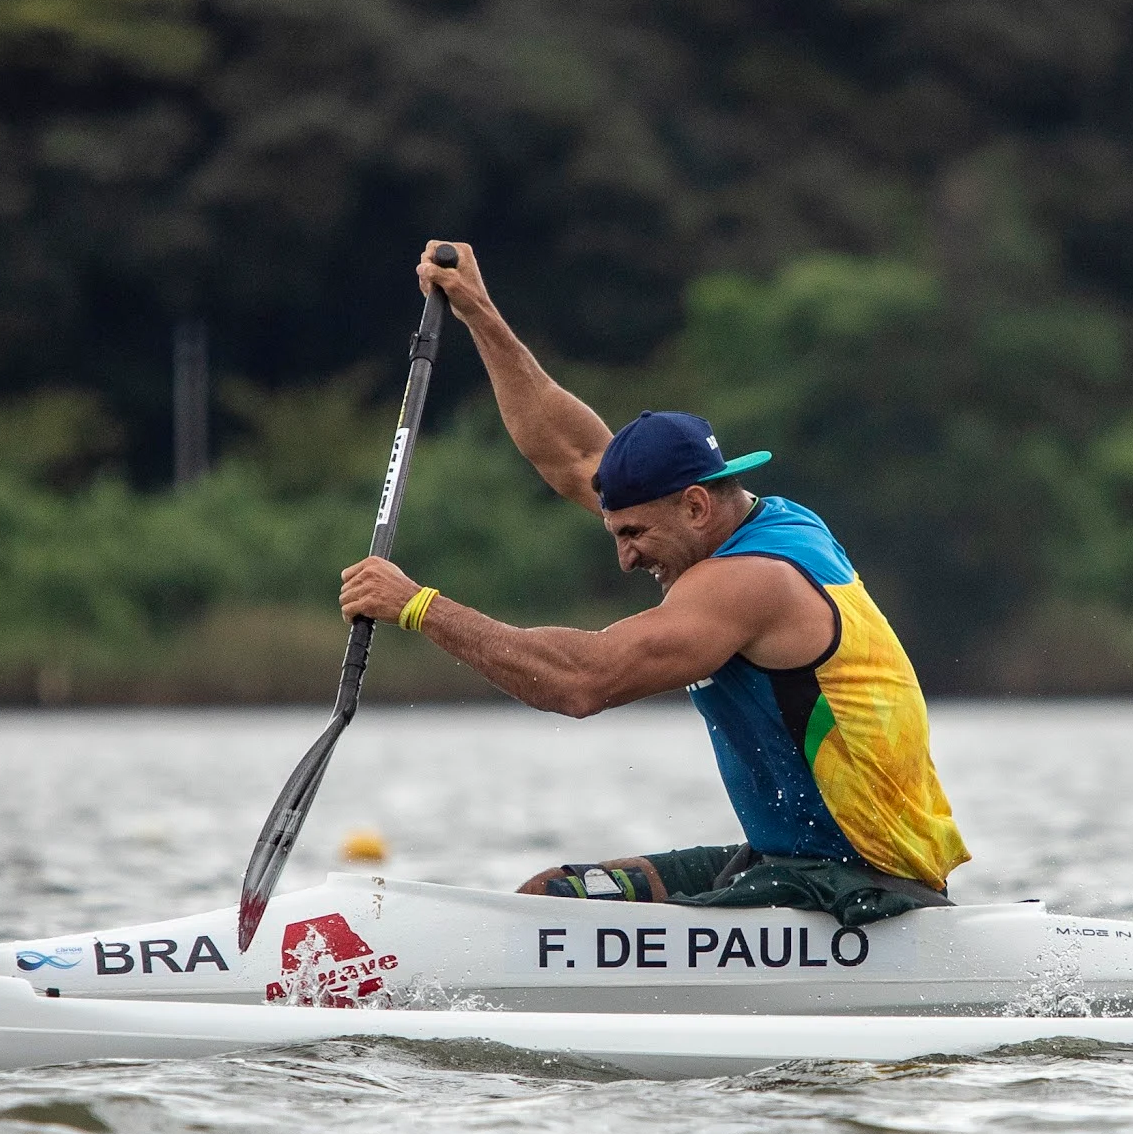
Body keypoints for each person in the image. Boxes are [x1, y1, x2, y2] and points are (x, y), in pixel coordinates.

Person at [338, 241, 969, 926]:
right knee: (552, 902)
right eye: (618, 533)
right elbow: (574, 454)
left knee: (576, 932)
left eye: (635, 535)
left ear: (695, 505)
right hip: (789, 861)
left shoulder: (754, 582)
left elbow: (584, 681)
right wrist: (480, 313)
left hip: (863, 886)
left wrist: (417, 606)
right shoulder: (749, 519)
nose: (626, 559)